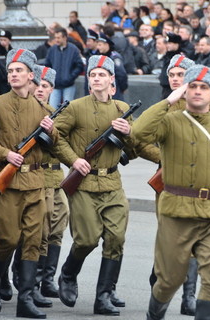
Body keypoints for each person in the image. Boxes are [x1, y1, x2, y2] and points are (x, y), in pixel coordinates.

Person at [53, 55, 159, 316]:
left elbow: (136, 148)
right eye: (93, 75)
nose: (97, 78)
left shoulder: (122, 108)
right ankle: (68, 272)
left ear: (112, 80)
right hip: (84, 184)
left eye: (102, 74)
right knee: (86, 239)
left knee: (116, 239)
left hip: (112, 183)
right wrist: (73, 160)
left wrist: (129, 133)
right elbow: (56, 136)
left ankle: (104, 296)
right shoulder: (76, 107)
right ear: (88, 80)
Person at [133, 64, 210, 320]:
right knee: (170, 279)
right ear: (184, 90)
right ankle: (154, 315)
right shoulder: (169, 121)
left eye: (204, 87)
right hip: (175, 213)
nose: (198, 92)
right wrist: (169, 100)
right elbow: (139, 132)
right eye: (192, 86)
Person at [0, 48, 58, 318]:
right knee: (7, 239)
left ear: (31, 75)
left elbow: (54, 147)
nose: (13, 75)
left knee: (33, 241)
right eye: (10, 71)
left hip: (35, 182)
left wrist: (51, 130)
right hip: (8, 184)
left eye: (19, 70)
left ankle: (25, 301)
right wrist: (5, 154)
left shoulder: (42, 108)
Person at [31, 66, 71, 298]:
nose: (40, 89)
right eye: (38, 84)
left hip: (56, 178)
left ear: (51, 89)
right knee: (40, 231)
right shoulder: (29, 112)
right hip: (38, 177)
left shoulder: (55, 114)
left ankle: (47, 279)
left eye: (45, 86)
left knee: (58, 226)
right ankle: (31, 280)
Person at [45, 27, 84, 108]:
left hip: (69, 85)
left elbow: (79, 66)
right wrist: (51, 79)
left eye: (58, 38)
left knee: (68, 110)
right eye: (55, 38)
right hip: (55, 86)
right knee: (52, 109)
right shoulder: (52, 50)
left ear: (65, 37)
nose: (56, 40)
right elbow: (47, 65)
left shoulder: (73, 49)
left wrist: (70, 77)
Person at [96, 33, 128, 101]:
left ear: (106, 45)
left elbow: (121, 74)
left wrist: (123, 88)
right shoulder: (100, 57)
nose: (98, 47)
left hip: (114, 91)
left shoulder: (114, 57)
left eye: (100, 45)